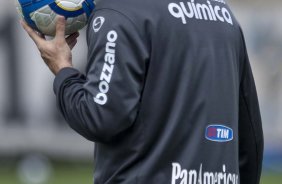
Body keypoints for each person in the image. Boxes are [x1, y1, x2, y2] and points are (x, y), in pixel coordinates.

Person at [21, 0, 264, 183]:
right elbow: (251, 135)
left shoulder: (118, 12)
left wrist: (63, 70)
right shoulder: (223, 14)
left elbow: (99, 117)